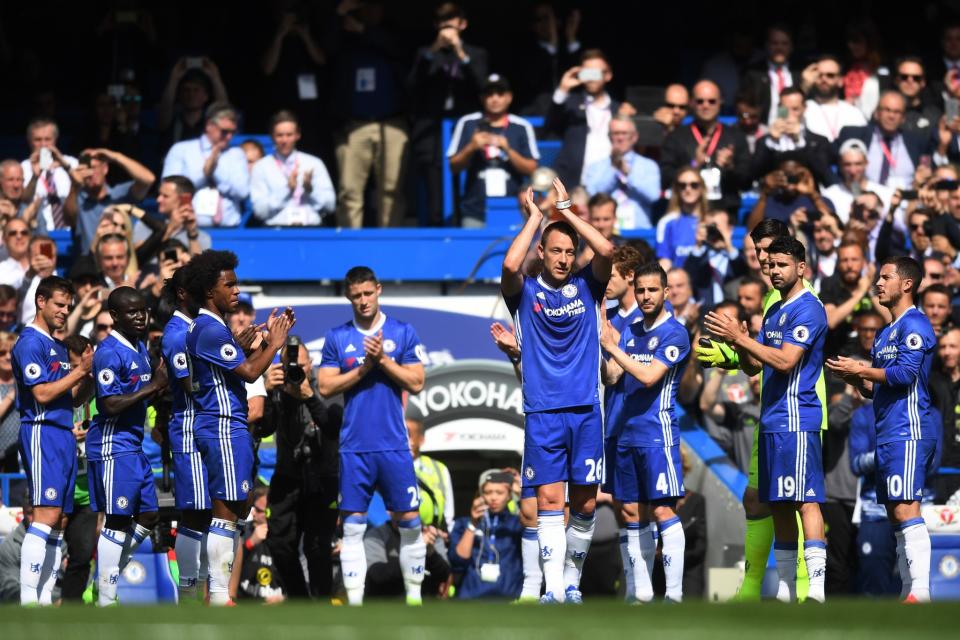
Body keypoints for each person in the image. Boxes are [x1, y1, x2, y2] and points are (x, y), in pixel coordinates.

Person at [500, 177, 614, 604]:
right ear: (542, 254)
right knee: (549, 500)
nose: (565, 258)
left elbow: (605, 251)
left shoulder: (588, 286)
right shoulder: (525, 292)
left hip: (586, 408)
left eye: (569, 252)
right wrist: (536, 218)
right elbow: (511, 266)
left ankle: (571, 582)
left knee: (584, 505)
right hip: (544, 411)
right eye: (557, 251)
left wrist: (566, 213)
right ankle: (552, 590)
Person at [705, 235, 829, 603]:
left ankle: (817, 590)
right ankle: (788, 590)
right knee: (778, 503)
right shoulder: (775, 308)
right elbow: (756, 365)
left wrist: (739, 341)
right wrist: (739, 343)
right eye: (770, 265)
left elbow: (787, 360)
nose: (774, 271)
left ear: (801, 268)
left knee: (806, 501)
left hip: (797, 417)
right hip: (772, 419)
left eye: (782, 265)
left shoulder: (809, 308)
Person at [184, 250, 295, 605]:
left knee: (235, 510)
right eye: (227, 284)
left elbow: (234, 366)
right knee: (227, 511)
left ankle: (217, 592)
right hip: (221, 426)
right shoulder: (209, 328)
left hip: (221, 426)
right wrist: (273, 345)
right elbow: (248, 373)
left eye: (236, 282)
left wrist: (244, 345)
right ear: (208, 291)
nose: (236, 290)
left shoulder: (212, 329)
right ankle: (219, 594)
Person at [827, 256, 939, 602]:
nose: (878, 283)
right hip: (887, 431)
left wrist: (861, 370)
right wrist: (857, 381)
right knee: (894, 513)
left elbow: (904, 375)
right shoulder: (885, 334)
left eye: (885, 277)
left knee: (907, 507)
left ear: (906, 284)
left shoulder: (915, 325)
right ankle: (908, 589)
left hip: (909, 428)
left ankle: (920, 590)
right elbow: (879, 387)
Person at [318, 266, 428, 606]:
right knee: (352, 526)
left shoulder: (402, 332)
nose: (363, 301)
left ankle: (414, 599)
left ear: (378, 290)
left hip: (394, 445)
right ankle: (355, 603)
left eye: (368, 294)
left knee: (410, 523)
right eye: (356, 296)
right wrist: (364, 368)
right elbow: (325, 386)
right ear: (348, 297)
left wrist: (382, 360)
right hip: (355, 448)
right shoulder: (338, 337)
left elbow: (417, 382)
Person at [600, 261, 691, 602]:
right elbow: (612, 377)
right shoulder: (631, 328)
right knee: (629, 512)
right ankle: (642, 594)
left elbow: (650, 376)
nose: (646, 296)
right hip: (625, 434)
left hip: (657, 435)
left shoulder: (675, 333)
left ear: (666, 292)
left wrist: (614, 349)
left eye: (653, 290)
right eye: (640, 290)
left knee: (663, 510)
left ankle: (675, 595)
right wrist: (602, 347)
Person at [12, 276, 94, 605]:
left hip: (62, 435)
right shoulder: (30, 342)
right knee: (45, 516)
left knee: (58, 520)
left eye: (69, 307)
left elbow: (70, 399)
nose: (64, 311)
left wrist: (88, 376)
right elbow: (43, 394)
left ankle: (45, 598)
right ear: (41, 301)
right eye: (59, 304)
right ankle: (29, 602)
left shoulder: (58, 346)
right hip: (41, 431)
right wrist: (79, 370)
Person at [86, 287, 167, 606]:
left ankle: (105, 577)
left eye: (143, 310)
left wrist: (159, 391)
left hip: (133, 446)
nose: (140, 316)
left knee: (149, 516)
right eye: (131, 312)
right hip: (111, 445)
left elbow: (145, 391)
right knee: (117, 519)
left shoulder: (140, 347)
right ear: (115, 316)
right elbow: (108, 404)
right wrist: (153, 386)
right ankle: (106, 598)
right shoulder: (109, 352)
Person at [259, 336, 342, 598]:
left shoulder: (326, 386)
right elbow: (264, 429)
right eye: (290, 367)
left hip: (322, 477)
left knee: (318, 547)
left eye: (302, 366)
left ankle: (321, 603)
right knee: (279, 543)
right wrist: (269, 393)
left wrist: (309, 396)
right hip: (287, 476)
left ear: (312, 364)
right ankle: (298, 600)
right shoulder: (278, 388)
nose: (297, 372)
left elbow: (332, 427)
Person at [328, 0, 408, 228]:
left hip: (392, 123)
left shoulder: (392, 32)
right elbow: (327, 49)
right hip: (354, 124)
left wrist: (364, 30)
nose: (371, 10)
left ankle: (390, 239)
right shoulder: (345, 36)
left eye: (375, 5)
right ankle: (349, 241)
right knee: (350, 191)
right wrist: (338, 14)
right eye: (364, 6)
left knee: (391, 190)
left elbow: (398, 48)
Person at [407, 2, 489, 225]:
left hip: (466, 129)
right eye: (443, 26)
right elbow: (412, 85)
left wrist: (460, 52)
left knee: (467, 184)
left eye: (451, 25)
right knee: (435, 193)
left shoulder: (475, 54)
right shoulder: (426, 54)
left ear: (462, 25)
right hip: (433, 134)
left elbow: (483, 87)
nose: (447, 31)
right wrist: (434, 50)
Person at [597, 245, 647, 602]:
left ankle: (657, 587)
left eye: (611, 275)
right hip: (613, 422)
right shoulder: (607, 314)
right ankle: (634, 586)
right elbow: (608, 376)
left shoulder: (650, 317)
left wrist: (609, 340)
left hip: (644, 425)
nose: (605, 281)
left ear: (630, 276)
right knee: (622, 506)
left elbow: (616, 374)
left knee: (651, 508)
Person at [158, 267, 207, 600]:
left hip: (205, 427)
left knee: (210, 513)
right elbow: (191, 386)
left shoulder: (196, 328)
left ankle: (209, 590)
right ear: (182, 294)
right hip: (190, 428)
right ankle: (189, 592)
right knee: (193, 513)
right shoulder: (177, 334)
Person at [447, 74, 539, 227]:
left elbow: (532, 168)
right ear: (482, 98)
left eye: (500, 94)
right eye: (489, 94)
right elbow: (453, 166)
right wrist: (471, 147)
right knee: (475, 251)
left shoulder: (522, 126)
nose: (494, 98)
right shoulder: (468, 123)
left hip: (514, 208)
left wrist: (508, 149)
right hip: (475, 209)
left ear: (509, 97)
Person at [660, 80, 750, 214]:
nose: (705, 106)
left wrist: (730, 167)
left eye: (711, 101)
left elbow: (747, 181)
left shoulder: (736, 136)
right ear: (691, 103)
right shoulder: (675, 137)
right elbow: (665, 178)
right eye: (700, 101)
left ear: (721, 102)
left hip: (725, 212)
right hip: (686, 212)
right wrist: (693, 165)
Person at [161, 103, 250, 227]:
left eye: (233, 132)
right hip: (187, 227)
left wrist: (216, 172)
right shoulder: (181, 149)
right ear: (209, 125)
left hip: (229, 229)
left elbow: (243, 192)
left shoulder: (236, 154)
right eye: (224, 131)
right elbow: (168, 188)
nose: (229, 137)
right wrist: (203, 174)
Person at [545, 49, 621, 188]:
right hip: (575, 183)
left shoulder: (619, 109)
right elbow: (550, 128)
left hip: (610, 184)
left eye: (596, 72)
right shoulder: (570, 104)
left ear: (608, 75)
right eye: (588, 72)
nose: (592, 77)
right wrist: (563, 89)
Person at [251, 110, 335, 227]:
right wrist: (286, 190)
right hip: (276, 231)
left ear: (297, 135)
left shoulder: (314, 163)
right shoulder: (261, 167)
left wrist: (311, 190)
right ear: (272, 137)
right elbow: (260, 211)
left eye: (289, 135)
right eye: (280, 135)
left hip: (311, 229)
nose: (285, 140)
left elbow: (331, 206)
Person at [64, 149, 155, 255]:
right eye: (86, 169)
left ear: (105, 169)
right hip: (90, 264)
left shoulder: (120, 194)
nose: (90, 173)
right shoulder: (77, 198)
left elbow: (148, 179)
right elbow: (69, 220)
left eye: (94, 168)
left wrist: (115, 156)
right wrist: (74, 185)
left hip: (121, 261)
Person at [449, 469, 524, 599]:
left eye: (499, 492)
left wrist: (522, 493)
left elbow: (536, 525)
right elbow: (458, 561)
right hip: (472, 596)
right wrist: (473, 524)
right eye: (488, 492)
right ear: (481, 494)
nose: (493, 497)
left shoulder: (517, 523)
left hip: (509, 596)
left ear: (509, 496)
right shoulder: (463, 523)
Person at [836, 91, 930, 189]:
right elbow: (830, 163)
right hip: (864, 199)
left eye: (897, 112)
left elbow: (927, 172)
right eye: (887, 110)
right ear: (877, 113)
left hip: (905, 200)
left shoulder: (917, 142)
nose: (891, 116)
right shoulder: (854, 134)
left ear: (903, 118)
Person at [583, 115, 661, 230]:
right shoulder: (595, 167)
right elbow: (592, 195)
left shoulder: (649, 165)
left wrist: (628, 175)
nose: (620, 138)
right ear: (609, 137)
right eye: (616, 133)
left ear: (634, 137)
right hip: (606, 232)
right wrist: (614, 169)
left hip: (639, 231)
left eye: (624, 133)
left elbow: (653, 196)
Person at [751, 87, 836, 187]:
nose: (789, 114)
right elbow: (753, 176)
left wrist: (799, 141)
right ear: (779, 108)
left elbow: (825, 178)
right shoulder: (765, 142)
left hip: (807, 199)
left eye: (795, 109)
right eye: (784, 110)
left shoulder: (818, 142)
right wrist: (772, 142)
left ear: (804, 108)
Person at [820, 240, 884, 357]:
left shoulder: (875, 285)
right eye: (845, 260)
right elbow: (831, 321)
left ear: (864, 263)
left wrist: (870, 290)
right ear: (838, 263)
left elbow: (890, 318)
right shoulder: (829, 284)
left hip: (871, 360)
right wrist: (860, 293)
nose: (849, 265)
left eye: (854, 259)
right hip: (837, 358)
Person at [20, 118, 78, 233]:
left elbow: (83, 189)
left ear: (55, 140)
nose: (43, 144)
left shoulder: (71, 163)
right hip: (40, 233)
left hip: (72, 230)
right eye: (38, 140)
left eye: (48, 139)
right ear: (29, 141)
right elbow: (23, 201)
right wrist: (35, 177)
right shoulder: (23, 168)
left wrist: (64, 165)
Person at [229, 487, 285, 603]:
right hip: (245, 603)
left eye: (259, 511)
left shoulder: (288, 538)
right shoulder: (243, 532)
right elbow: (229, 569)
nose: (253, 513)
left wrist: (283, 598)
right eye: (254, 508)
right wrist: (250, 544)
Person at [682, 208, 747, 308]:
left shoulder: (736, 255)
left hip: (733, 310)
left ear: (730, 228)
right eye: (710, 227)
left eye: (717, 227)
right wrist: (698, 244)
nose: (714, 231)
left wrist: (728, 244)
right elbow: (688, 276)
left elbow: (742, 271)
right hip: (706, 312)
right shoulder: (698, 257)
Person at [821, 139, 894, 225]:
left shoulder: (885, 194)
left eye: (858, 164)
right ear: (840, 166)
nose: (853, 170)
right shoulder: (829, 195)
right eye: (847, 164)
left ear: (866, 164)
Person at [741, 24, 800, 127]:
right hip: (763, 130)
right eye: (775, 43)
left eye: (784, 43)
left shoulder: (800, 72)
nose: (779, 47)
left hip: (795, 129)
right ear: (767, 45)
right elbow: (744, 105)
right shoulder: (753, 73)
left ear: (791, 47)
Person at [138, 175, 210, 257]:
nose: (158, 199)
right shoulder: (144, 225)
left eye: (165, 196)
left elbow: (200, 268)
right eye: (159, 194)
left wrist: (192, 235)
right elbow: (137, 258)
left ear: (184, 199)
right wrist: (170, 229)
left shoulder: (202, 238)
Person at [802, 55, 867, 143]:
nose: (824, 79)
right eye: (819, 75)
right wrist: (803, 87)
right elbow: (783, 113)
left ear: (840, 81)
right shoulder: (803, 109)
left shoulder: (854, 113)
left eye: (830, 75)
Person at [407, 418, 454, 533]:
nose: (406, 440)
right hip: (398, 533)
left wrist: (444, 531)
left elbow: (449, 510)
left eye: (410, 435)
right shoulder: (387, 466)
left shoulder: (439, 468)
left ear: (421, 439)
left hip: (434, 533)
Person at [656, 168, 707, 270]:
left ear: (702, 188)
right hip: (677, 281)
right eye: (682, 185)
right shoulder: (666, 223)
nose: (688, 189)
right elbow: (664, 261)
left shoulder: (711, 220)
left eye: (694, 185)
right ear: (677, 190)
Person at [895, 57, 941, 138]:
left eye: (916, 78)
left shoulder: (934, 114)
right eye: (904, 77)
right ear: (896, 80)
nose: (910, 81)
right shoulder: (885, 111)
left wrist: (951, 94)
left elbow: (951, 131)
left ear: (923, 82)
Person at [0, 219, 31, 288]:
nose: (19, 236)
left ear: (30, 238)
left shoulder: (44, 266)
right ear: (4, 240)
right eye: (13, 233)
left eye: (24, 232)